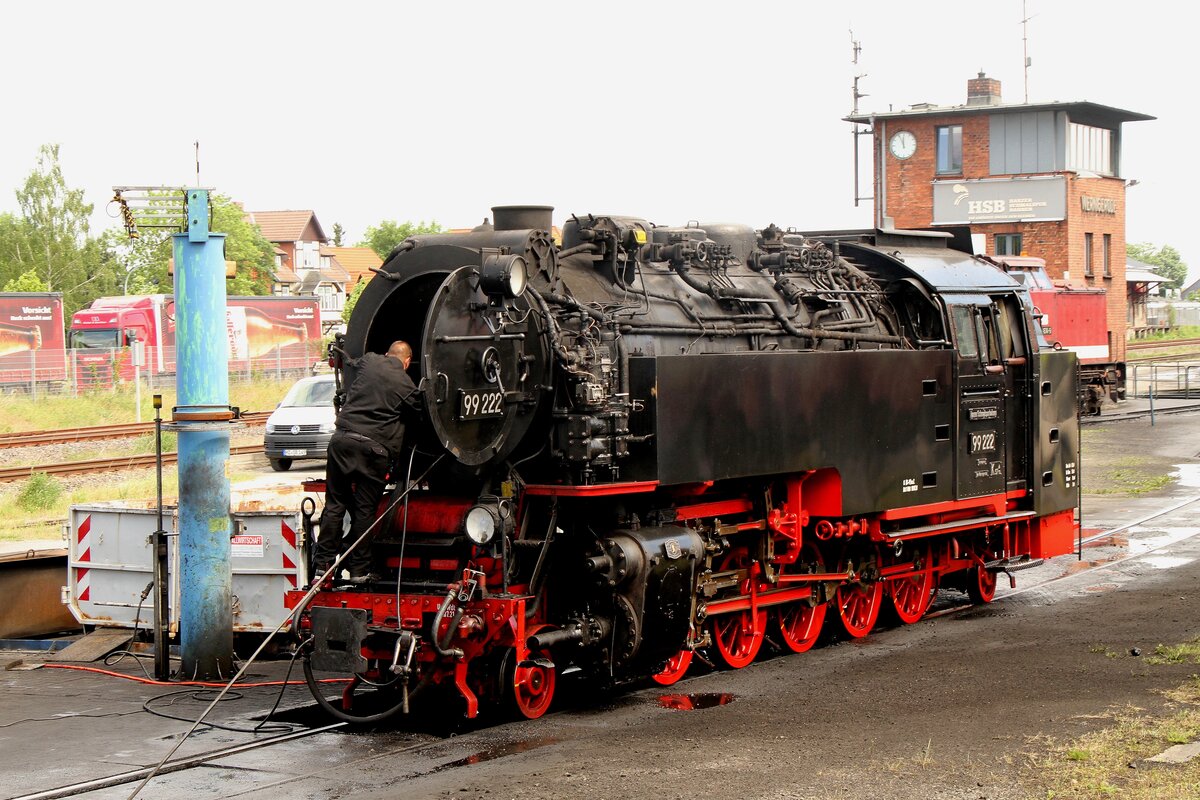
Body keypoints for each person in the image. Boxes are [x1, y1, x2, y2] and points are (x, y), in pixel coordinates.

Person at [313, 340, 422, 585]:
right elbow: (418, 414)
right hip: (374, 450)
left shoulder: (371, 359)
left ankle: (323, 565)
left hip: (342, 440)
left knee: (335, 503)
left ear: (386, 353)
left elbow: (351, 363)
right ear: (406, 363)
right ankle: (359, 570)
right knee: (364, 510)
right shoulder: (405, 383)